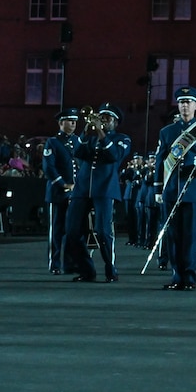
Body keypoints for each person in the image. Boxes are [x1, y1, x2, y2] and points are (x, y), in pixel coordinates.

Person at [152, 88, 196, 290]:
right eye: (181, 102)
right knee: (173, 236)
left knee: (190, 236)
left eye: (189, 102)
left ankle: (189, 277)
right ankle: (176, 276)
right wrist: (158, 189)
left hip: (193, 191)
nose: (185, 106)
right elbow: (160, 161)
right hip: (172, 190)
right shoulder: (166, 132)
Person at [67, 105, 130, 281]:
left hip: (105, 189)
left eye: (107, 118)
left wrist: (101, 133)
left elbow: (114, 155)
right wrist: (85, 132)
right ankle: (87, 270)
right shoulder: (90, 138)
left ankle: (110, 269)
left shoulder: (122, 139)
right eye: (101, 117)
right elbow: (77, 152)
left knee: (103, 232)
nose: (103, 121)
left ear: (115, 122)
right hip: (82, 188)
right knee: (72, 232)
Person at [42, 109, 79, 275]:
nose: (73, 124)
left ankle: (70, 263)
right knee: (56, 230)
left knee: (73, 230)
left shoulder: (78, 141)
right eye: (69, 120)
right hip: (58, 192)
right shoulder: (53, 142)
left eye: (75, 121)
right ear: (61, 123)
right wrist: (63, 184)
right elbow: (49, 167)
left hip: (76, 193)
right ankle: (55, 263)